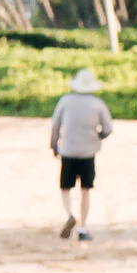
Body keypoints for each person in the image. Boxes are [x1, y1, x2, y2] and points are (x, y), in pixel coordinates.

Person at [48, 67, 115, 242]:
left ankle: (70, 214)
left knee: (65, 188)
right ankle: (83, 227)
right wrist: (97, 136)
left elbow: (55, 125)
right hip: (88, 152)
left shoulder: (65, 101)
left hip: (68, 150)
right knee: (86, 190)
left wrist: (54, 145)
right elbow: (108, 128)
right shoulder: (97, 104)